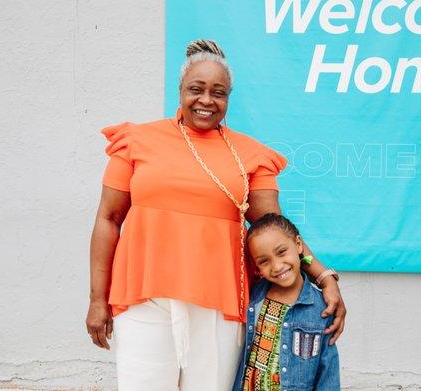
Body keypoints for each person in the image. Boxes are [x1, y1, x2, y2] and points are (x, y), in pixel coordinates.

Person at [85, 39, 346, 391]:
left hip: (219, 302)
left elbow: (275, 232)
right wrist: (97, 300)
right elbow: (108, 220)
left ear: (228, 98)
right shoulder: (136, 141)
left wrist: (324, 276)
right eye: (197, 89)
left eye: (218, 92)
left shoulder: (250, 155)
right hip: (143, 297)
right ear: (180, 90)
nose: (206, 100)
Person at [232, 213, 339, 391]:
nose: (277, 266)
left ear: (298, 245)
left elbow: (328, 369)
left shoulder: (321, 308)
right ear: (257, 268)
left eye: (281, 252)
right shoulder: (254, 297)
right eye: (264, 261)